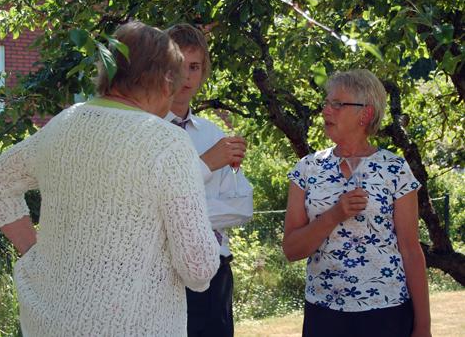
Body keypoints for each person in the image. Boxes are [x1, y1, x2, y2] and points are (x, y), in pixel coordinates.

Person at [0, 21, 220, 337]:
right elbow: (198, 268)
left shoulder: (64, 123)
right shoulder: (167, 142)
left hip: (48, 321)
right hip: (131, 327)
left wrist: (31, 249)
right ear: (165, 82)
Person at [283, 69, 431, 337]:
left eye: (337, 104)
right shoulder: (306, 169)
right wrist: (334, 215)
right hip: (324, 314)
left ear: (366, 114)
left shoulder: (394, 168)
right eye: (326, 103)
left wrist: (423, 326)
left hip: (387, 312)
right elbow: (291, 250)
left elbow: (411, 250)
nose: (326, 111)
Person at [165, 23, 253, 337]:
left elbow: (242, 206)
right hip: (159, 275)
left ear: (204, 73)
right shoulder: (142, 133)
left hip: (214, 274)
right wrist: (204, 167)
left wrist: (177, 215)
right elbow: (144, 205)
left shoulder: (215, 135)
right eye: (177, 65)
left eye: (194, 67)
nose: (186, 76)